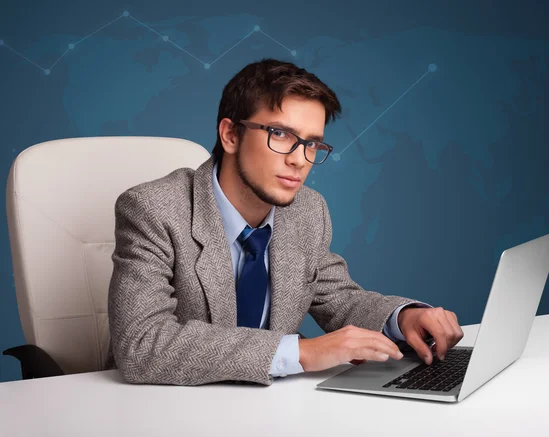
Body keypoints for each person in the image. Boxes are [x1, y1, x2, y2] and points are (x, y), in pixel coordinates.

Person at [105, 58, 464, 386]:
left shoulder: (308, 211)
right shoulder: (154, 209)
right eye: (281, 135)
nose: (300, 160)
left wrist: (403, 318)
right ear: (231, 135)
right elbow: (141, 343)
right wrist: (301, 353)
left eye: (312, 144)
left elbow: (337, 298)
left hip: (271, 410)